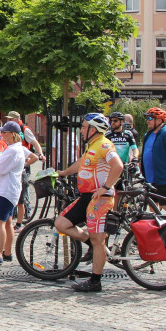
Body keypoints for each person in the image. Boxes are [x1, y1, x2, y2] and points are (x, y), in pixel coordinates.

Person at [54, 113, 123, 293]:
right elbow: (81, 164)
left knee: (98, 239)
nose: (82, 130)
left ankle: (95, 281)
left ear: (93, 129)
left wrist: (106, 187)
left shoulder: (104, 145)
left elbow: (118, 166)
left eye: (84, 127)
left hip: (99, 200)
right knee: (61, 223)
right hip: (87, 198)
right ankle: (91, 244)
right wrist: (64, 173)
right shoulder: (92, 145)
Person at [0, 121, 30, 265]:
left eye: (5, 132)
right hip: (10, 189)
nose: (2, 135)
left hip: (6, 189)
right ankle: (7, 252)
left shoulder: (13, 150)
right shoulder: (16, 148)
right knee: (7, 222)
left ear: (12, 134)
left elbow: (0, 169)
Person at [6, 111, 45, 226]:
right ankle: (14, 214)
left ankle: (26, 211)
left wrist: (40, 153)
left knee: (23, 190)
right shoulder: (10, 131)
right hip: (14, 163)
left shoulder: (24, 129)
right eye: (8, 119)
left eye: (11, 119)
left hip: (23, 162)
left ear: (17, 119)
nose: (9, 121)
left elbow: (34, 142)